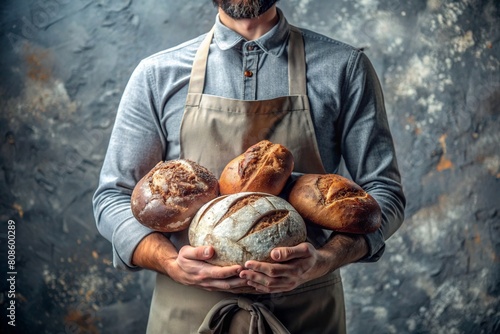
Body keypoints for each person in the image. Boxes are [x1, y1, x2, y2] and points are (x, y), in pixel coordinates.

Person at [93, 1, 406, 333]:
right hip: (187, 312)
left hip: (304, 313)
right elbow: (114, 197)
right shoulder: (157, 74)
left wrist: (324, 260)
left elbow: (384, 194)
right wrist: (170, 262)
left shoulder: (343, 67)